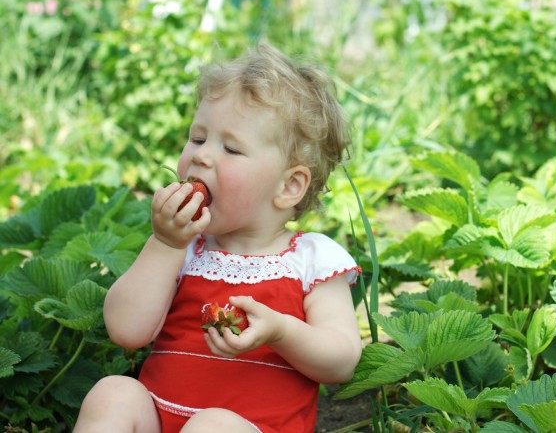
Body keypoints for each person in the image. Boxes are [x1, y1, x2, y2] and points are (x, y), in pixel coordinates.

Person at [74, 42, 362, 433]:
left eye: (230, 148)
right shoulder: (184, 248)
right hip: (162, 418)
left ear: (289, 185)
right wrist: (165, 244)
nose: (202, 157)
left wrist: (281, 331)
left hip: (251, 427)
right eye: (197, 138)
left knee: (213, 426)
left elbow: (342, 361)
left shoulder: (311, 259)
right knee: (113, 393)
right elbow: (126, 330)